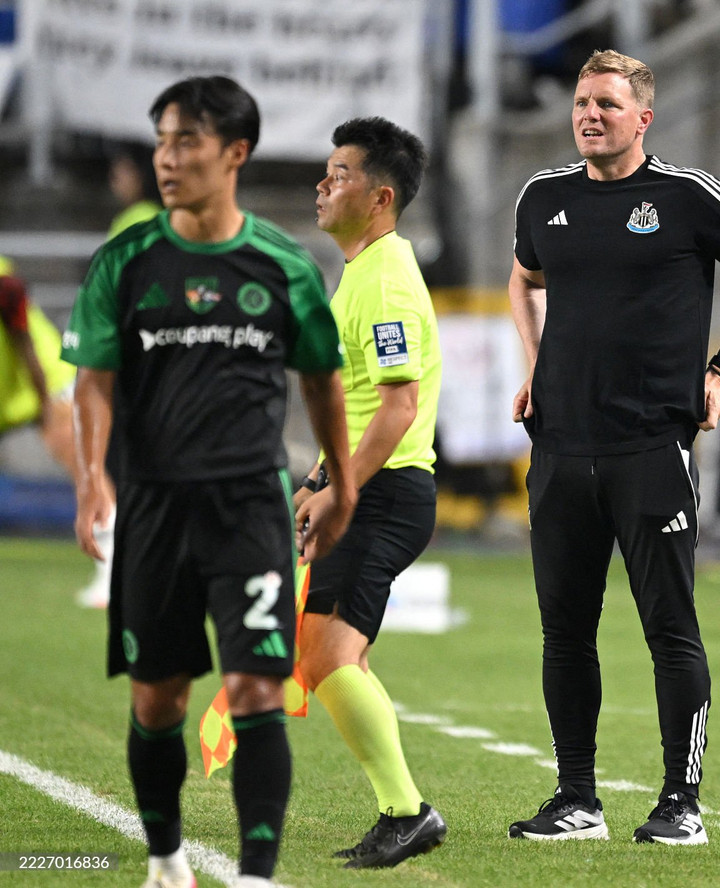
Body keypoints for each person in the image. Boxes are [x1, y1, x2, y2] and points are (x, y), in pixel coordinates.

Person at [61, 75, 357, 888]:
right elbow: (92, 379)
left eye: (186, 141)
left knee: (257, 684)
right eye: (161, 140)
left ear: (235, 153)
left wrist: (341, 481)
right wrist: (92, 479)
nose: (167, 158)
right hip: (154, 506)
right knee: (157, 700)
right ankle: (166, 860)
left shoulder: (282, 265)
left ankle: (257, 876)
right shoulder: (124, 261)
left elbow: (321, 379)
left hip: (248, 506)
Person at [506, 49, 720, 844]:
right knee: (565, 630)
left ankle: (681, 804)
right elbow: (522, 280)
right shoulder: (543, 197)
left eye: (608, 105)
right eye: (583, 103)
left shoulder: (687, 196)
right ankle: (576, 799)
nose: (591, 115)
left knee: (669, 627)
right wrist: (534, 364)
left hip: (650, 448)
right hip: (559, 446)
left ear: (643, 118)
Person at [294, 116, 447, 868]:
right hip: (368, 487)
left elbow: (397, 405)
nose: (324, 183)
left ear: (381, 196)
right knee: (323, 653)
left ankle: (407, 811)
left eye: (342, 173)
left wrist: (342, 490)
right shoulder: (364, 269)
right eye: (327, 171)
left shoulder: (385, 279)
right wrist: (323, 476)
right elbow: (358, 402)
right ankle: (402, 809)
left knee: (325, 655)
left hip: (385, 494)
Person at [0, 256, 114, 605]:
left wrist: (45, 400)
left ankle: (112, 571)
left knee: (85, 473)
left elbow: (24, 340)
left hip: (45, 381)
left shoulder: (4, 285)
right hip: (9, 392)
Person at [107, 141, 164, 239]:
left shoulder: (142, 219)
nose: (115, 177)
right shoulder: (155, 215)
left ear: (142, 175)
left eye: (125, 170)